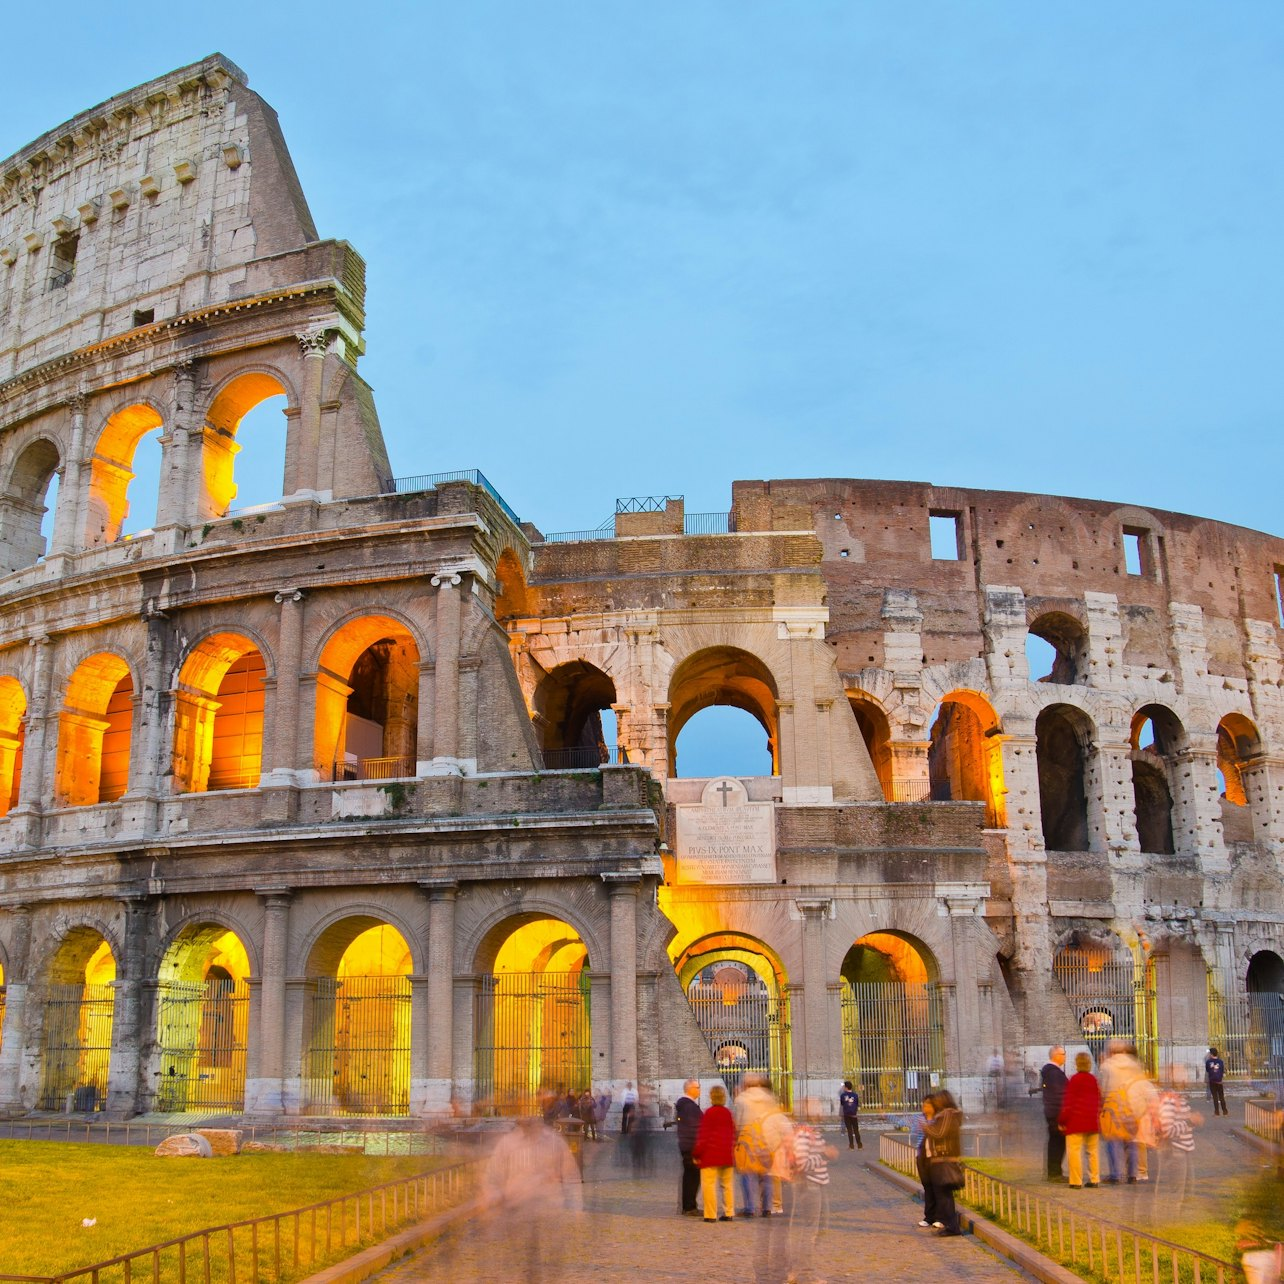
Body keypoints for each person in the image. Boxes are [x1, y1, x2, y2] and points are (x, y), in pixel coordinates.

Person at [789, 1097, 837, 1282]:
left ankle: (797, 1269)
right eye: (817, 1106)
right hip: (810, 1185)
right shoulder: (804, 1133)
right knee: (811, 1230)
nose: (822, 1110)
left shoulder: (813, 1132)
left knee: (819, 1228)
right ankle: (804, 1273)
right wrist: (824, 1155)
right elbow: (802, 1163)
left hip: (818, 1183)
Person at [734, 1074, 793, 1217]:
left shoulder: (741, 1099)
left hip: (748, 1139)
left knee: (748, 1175)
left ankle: (750, 1208)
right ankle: (767, 1207)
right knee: (766, 1175)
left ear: (746, 1084)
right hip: (767, 1139)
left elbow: (738, 1122)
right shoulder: (769, 1098)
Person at [921, 1089, 964, 1236]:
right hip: (940, 1159)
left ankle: (952, 1227)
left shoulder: (947, 1115)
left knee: (944, 1195)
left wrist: (926, 1127)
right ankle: (949, 1225)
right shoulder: (947, 1115)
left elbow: (939, 1133)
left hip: (943, 1160)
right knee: (943, 1195)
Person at [1058, 1050, 1101, 1188]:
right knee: (1092, 1152)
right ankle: (1094, 1179)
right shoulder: (1093, 1080)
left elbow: (1068, 1103)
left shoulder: (1074, 1080)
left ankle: (1076, 1181)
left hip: (1076, 1122)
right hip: (1092, 1121)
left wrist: (1062, 1121)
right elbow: (1098, 1100)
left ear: (1077, 1064)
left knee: (1074, 1152)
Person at [693, 1083, 736, 1222]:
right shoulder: (728, 1113)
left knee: (709, 1185)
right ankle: (729, 1212)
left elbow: (703, 1136)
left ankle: (711, 1215)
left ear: (711, 1097)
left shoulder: (709, 1113)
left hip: (710, 1155)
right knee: (727, 1185)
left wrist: (696, 1154)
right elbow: (733, 1133)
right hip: (726, 1154)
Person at [1036, 1045, 1069, 1180]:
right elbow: (1059, 1094)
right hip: (1057, 1113)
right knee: (1057, 1143)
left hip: (1053, 1111)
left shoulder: (1051, 1072)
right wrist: (1062, 1115)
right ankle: (1054, 1173)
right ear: (1056, 1056)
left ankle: (1054, 1172)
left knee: (1056, 1142)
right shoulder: (1054, 1073)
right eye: (1063, 1054)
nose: (1065, 1057)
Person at [673, 1078, 704, 1215]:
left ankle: (689, 1205)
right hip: (692, 1146)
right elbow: (694, 1128)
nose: (699, 1090)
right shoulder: (689, 1106)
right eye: (697, 1087)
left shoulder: (686, 1105)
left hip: (687, 1145)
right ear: (690, 1089)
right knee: (692, 1177)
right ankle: (689, 1207)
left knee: (690, 1176)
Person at [838, 1080, 863, 1150]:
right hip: (854, 1114)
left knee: (849, 1131)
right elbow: (857, 1104)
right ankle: (859, 1146)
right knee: (856, 1130)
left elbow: (842, 1104)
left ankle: (851, 1146)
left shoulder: (843, 1095)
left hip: (846, 1114)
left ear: (846, 1087)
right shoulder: (855, 1095)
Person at [1205, 1047, 1228, 1117]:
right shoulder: (1220, 1061)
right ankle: (1225, 1112)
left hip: (1212, 1081)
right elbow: (1222, 1070)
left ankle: (1217, 1112)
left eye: (1210, 1053)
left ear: (1211, 1054)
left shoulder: (1208, 1062)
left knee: (1215, 1097)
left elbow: (1207, 1070)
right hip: (1219, 1081)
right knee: (1221, 1097)